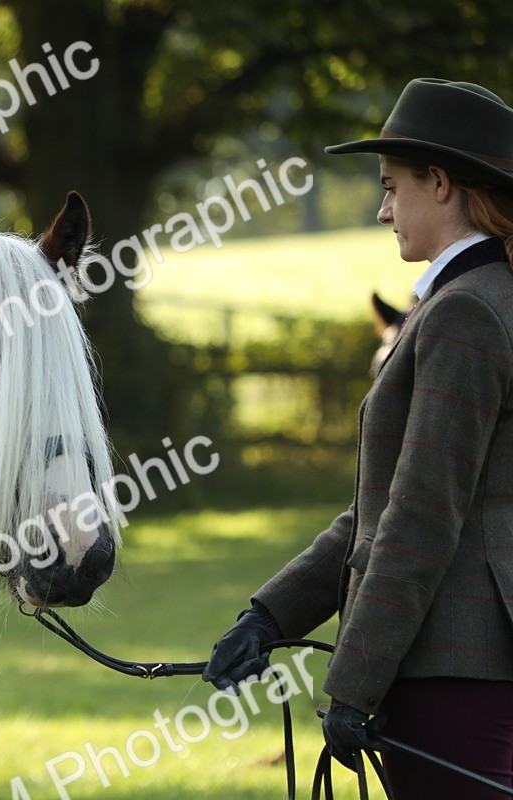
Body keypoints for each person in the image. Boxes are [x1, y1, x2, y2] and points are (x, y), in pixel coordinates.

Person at [203, 77, 513, 799]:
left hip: (449, 663)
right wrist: (270, 615)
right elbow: (384, 504)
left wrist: (353, 685)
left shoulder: (464, 313)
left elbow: (420, 517)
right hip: (456, 660)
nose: (381, 210)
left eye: (390, 187)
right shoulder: (472, 302)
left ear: (439, 183)